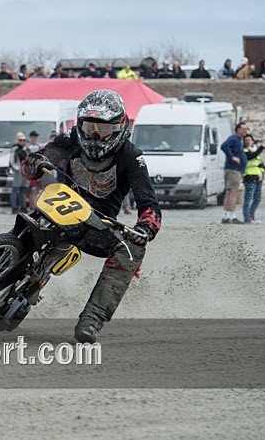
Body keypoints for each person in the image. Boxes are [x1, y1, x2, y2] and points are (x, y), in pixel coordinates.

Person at [22, 89, 162, 343]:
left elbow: (149, 204)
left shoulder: (132, 156)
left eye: (104, 129)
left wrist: (145, 228)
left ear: (120, 127)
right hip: (55, 210)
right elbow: (37, 161)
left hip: (95, 226)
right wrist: (35, 162)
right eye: (89, 127)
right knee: (19, 230)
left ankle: (93, 318)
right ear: (79, 124)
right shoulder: (68, 140)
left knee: (130, 249)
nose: (95, 135)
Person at [219, 122, 248, 224]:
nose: (246, 131)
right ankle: (231, 215)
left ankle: (227, 215)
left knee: (231, 192)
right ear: (238, 129)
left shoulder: (239, 140)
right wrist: (232, 157)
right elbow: (224, 146)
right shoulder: (233, 138)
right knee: (233, 192)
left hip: (236, 170)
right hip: (233, 169)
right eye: (244, 129)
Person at [242, 134, 265, 224]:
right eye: (246, 140)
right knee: (248, 199)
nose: (248, 141)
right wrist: (261, 148)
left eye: (249, 140)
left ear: (253, 141)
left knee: (257, 199)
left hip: (257, 177)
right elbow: (251, 157)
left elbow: (258, 163)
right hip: (249, 177)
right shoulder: (244, 151)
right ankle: (247, 218)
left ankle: (251, 217)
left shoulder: (255, 150)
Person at [9, 132, 28, 214]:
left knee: (22, 189)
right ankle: (14, 207)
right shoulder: (15, 148)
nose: (22, 141)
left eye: (24, 140)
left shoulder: (23, 149)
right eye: (20, 140)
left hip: (24, 171)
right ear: (17, 140)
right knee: (15, 189)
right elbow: (12, 160)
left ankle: (23, 206)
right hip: (18, 171)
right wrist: (17, 169)